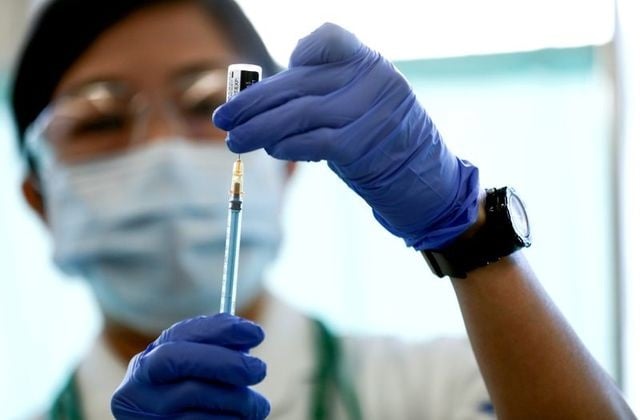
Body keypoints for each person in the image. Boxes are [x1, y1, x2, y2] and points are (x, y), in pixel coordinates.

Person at [8, 0, 636, 419]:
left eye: (204, 104)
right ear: (39, 199)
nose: (162, 151)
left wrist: (467, 233)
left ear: (284, 158)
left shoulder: (435, 389)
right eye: (100, 120)